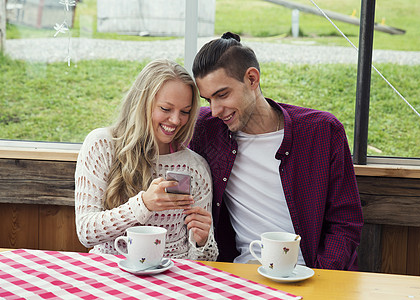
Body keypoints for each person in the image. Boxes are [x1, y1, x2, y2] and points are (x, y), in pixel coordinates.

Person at [189, 32, 363, 270]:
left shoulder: (321, 132)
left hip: (312, 272)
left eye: (222, 95)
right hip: (244, 273)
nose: (216, 109)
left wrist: (321, 277)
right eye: (208, 99)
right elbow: (157, 123)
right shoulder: (208, 130)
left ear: (252, 79)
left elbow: (346, 221)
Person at [75, 59, 218, 261]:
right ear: (142, 103)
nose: (176, 120)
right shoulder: (102, 145)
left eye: (185, 111)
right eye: (166, 109)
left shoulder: (195, 166)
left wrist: (202, 241)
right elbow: (86, 232)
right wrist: (144, 204)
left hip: (174, 278)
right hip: (114, 274)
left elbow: (205, 260)